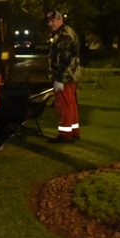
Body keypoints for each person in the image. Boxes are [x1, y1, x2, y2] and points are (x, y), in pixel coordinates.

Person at [46, 10, 81, 143]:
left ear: (60, 19)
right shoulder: (67, 31)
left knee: (63, 105)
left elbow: (64, 59)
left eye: (53, 20)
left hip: (64, 77)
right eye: (49, 21)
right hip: (70, 76)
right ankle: (74, 132)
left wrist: (59, 79)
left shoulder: (63, 35)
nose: (51, 23)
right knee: (71, 104)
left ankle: (65, 135)